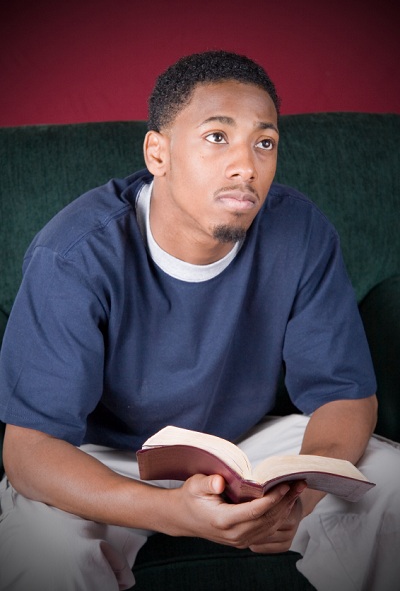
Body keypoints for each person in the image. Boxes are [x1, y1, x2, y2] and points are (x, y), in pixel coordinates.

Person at [0, 50, 399, 591]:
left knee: (390, 485)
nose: (246, 166)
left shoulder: (299, 231)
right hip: (107, 455)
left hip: (250, 444)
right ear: (157, 152)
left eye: (265, 143)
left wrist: (299, 499)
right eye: (217, 137)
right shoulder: (73, 253)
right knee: (44, 548)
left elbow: (346, 396)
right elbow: (29, 451)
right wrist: (172, 513)